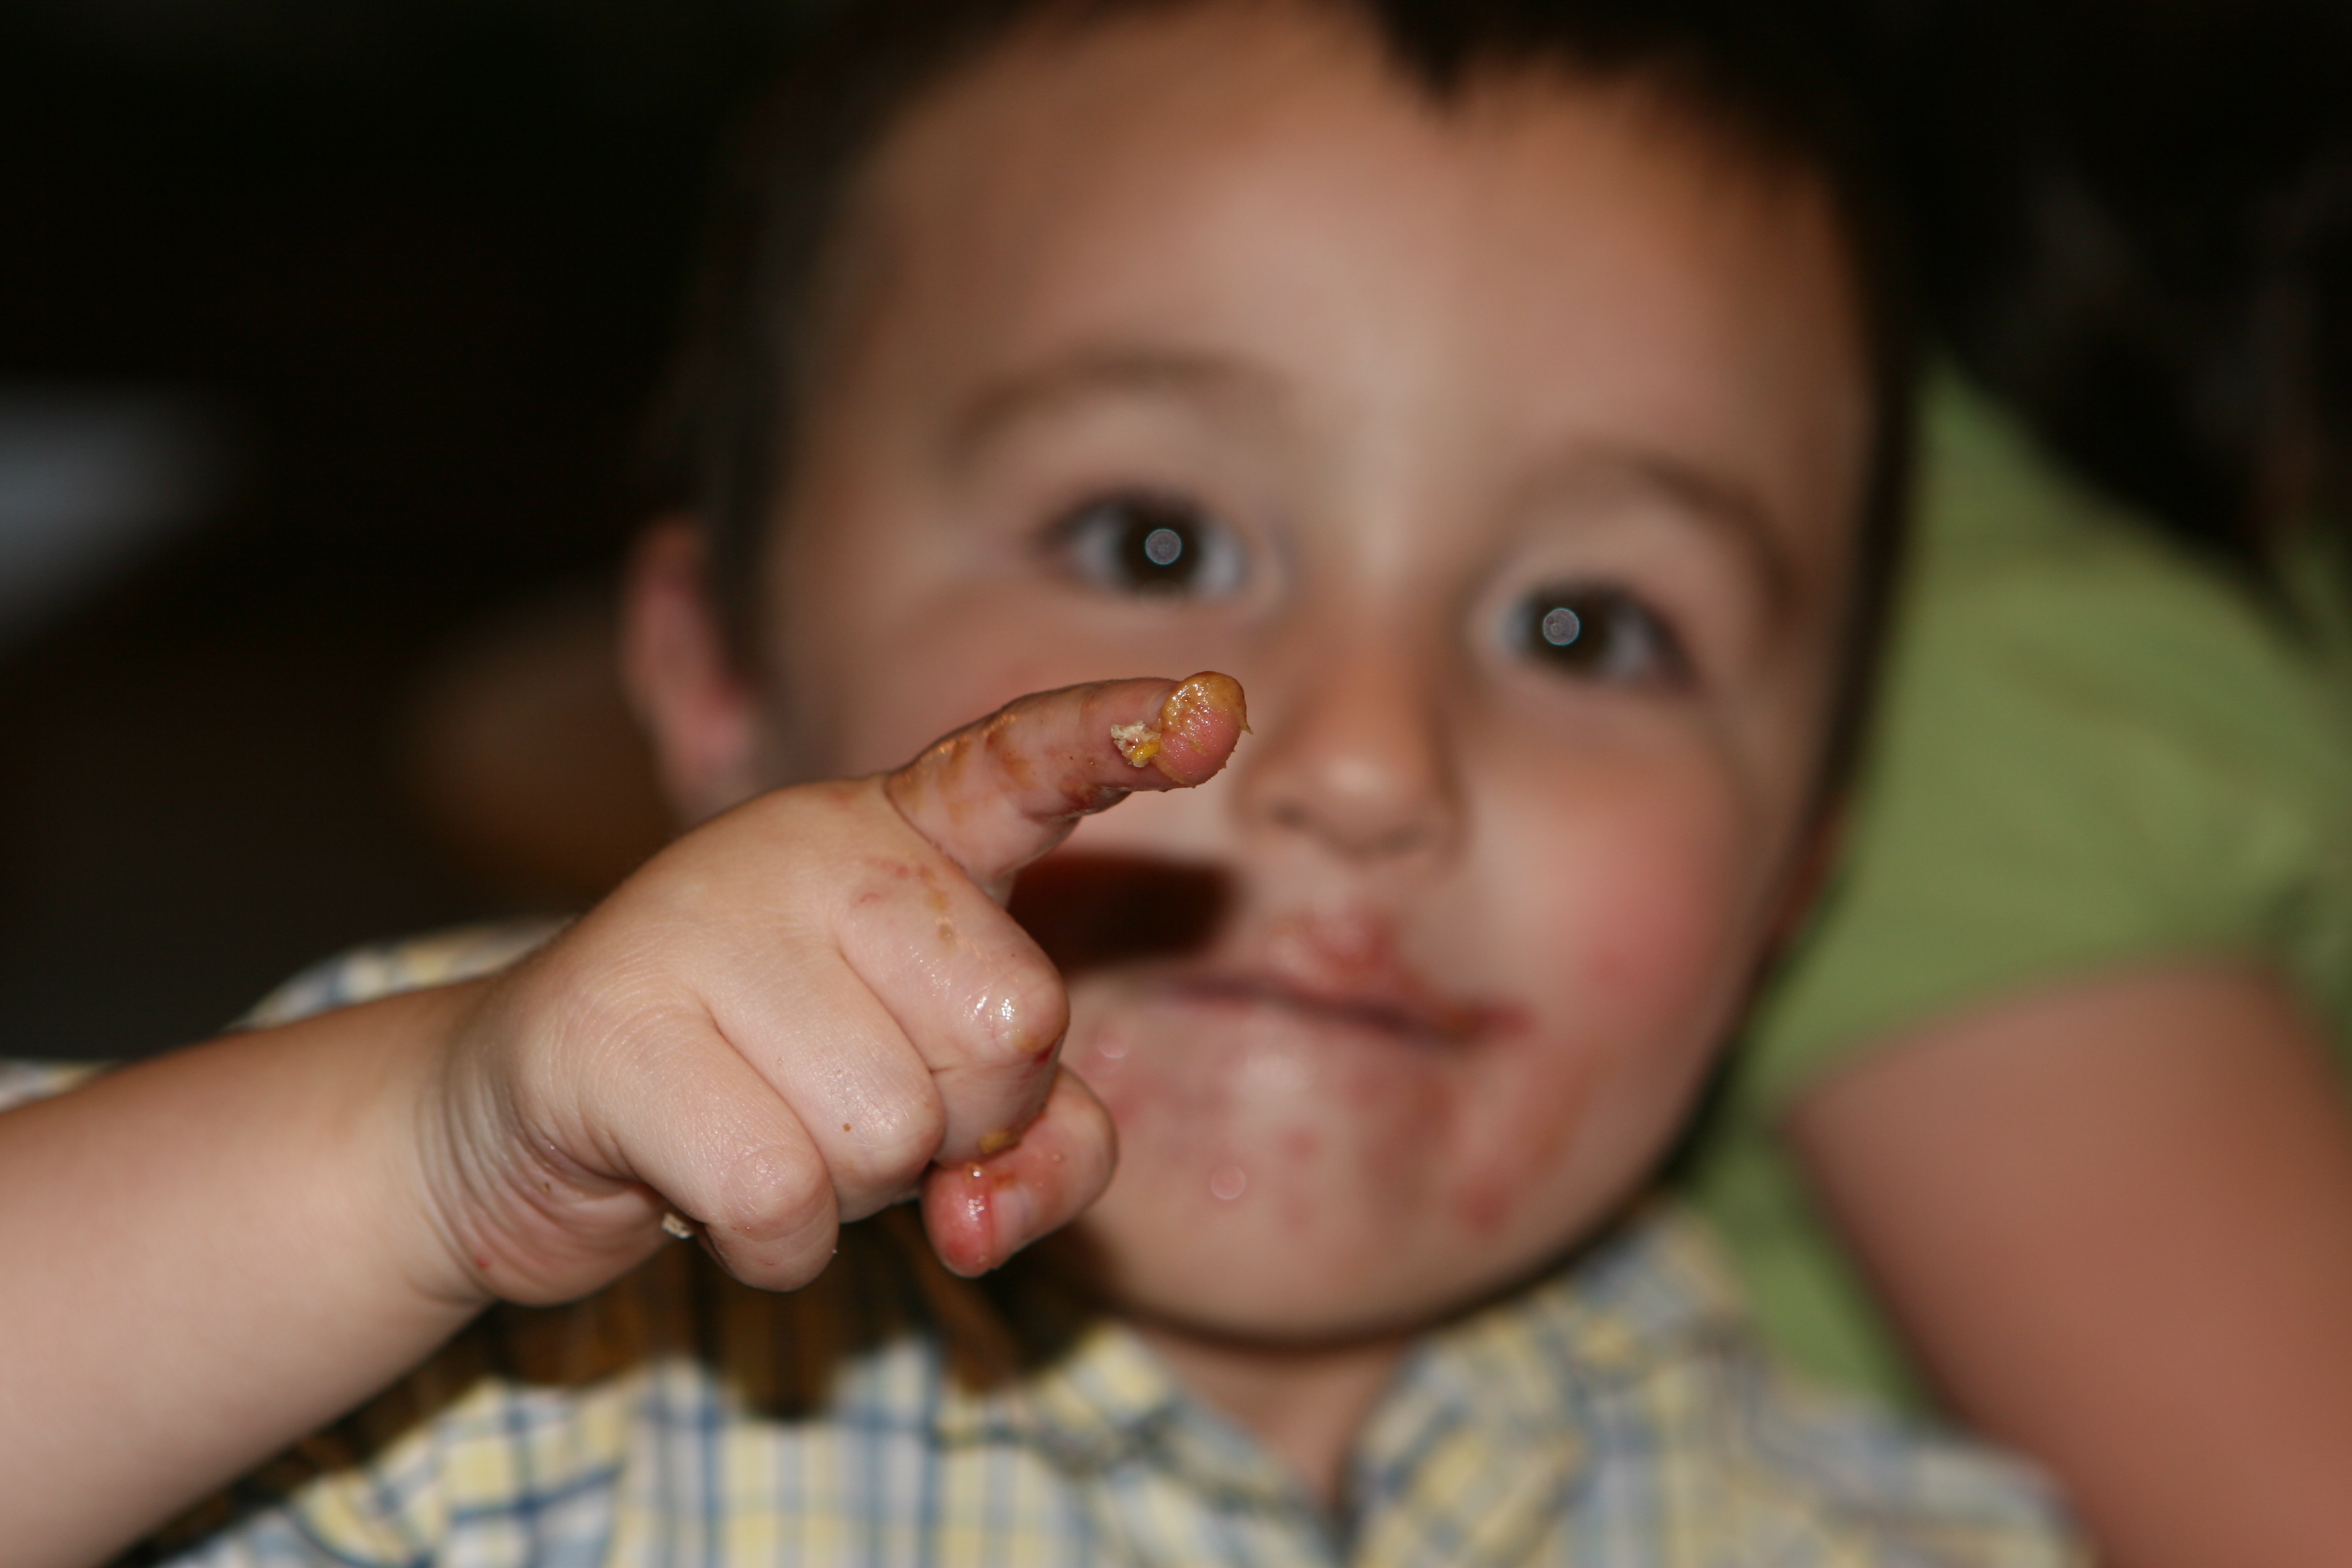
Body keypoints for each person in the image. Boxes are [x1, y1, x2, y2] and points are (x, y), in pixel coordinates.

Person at [0, 1, 2080, 1563]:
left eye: (1586, 628)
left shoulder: (1878, 1531)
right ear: (716, 672)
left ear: (1801, 865)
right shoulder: (421, 1318)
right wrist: (418, 1164)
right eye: (1152, 542)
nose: (1368, 762)